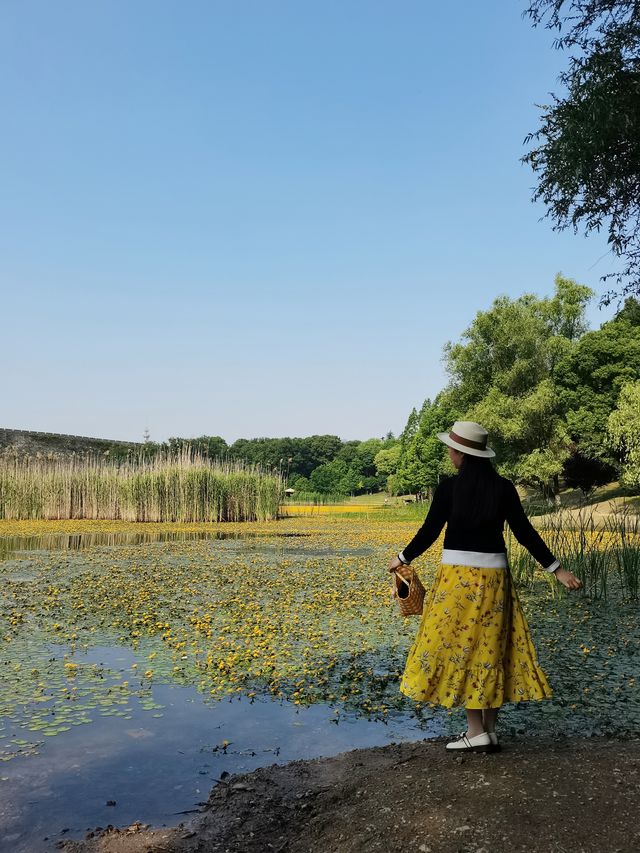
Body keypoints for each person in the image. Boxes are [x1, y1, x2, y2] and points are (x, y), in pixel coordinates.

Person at [388, 421, 582, 753]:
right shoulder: (503, 488)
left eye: (451, 448)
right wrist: (557, 569)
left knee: (462, 648)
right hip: (495, 581)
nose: (449, 452)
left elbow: (430, 531)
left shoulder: (449, 489)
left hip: (457, 582)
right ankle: (489, 730)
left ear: (461, 453)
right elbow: (524, 533)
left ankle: (476, 731)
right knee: (492, 648)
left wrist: (401, 557)